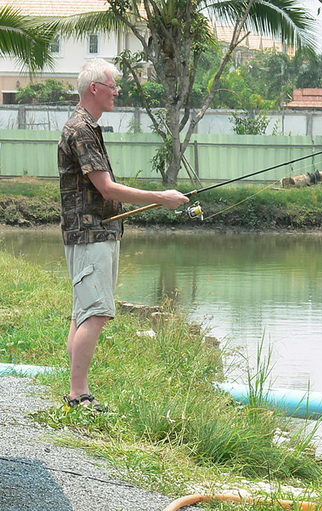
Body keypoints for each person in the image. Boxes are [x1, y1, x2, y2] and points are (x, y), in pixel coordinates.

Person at [58, 58, 189, 409]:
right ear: (95, 89)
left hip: (96, 233)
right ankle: (78, 394)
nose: (118, 91)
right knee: (96, 313)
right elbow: (107, 189)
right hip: (91, 234)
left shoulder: (87, 127)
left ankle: (76, 388)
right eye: (114, 85)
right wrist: (161, 198)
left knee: (85, 313)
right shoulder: (81, 129)